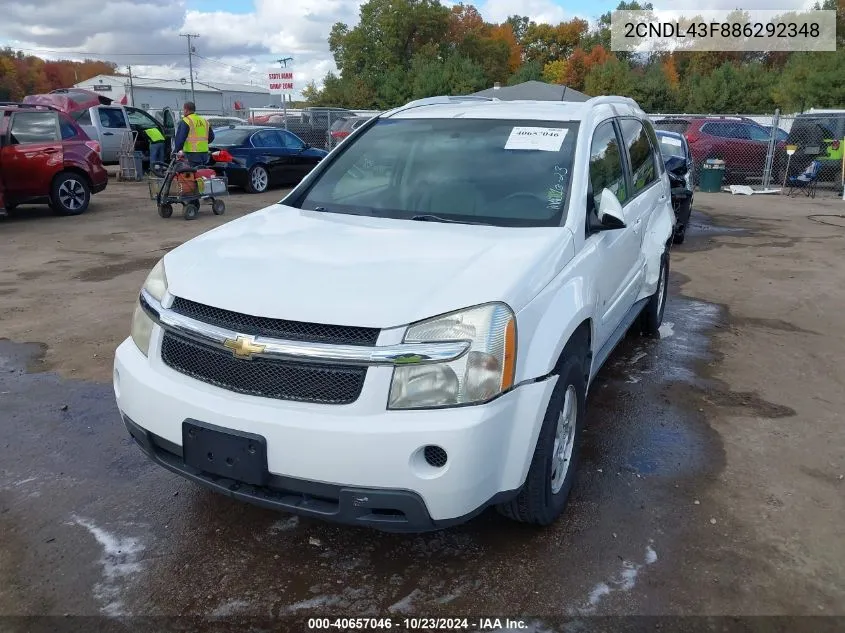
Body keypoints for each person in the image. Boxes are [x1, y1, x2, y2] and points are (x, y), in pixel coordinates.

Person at [174, 101, 215, 166]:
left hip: (192, 153)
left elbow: (180, 138)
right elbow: (211, 137)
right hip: (204, 153)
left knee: (192, 174)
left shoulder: (186, 120)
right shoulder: (204, 120)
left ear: (186, 110)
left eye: (183, 110)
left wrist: (177, 150)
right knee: (202, 172)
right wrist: (202, 144)